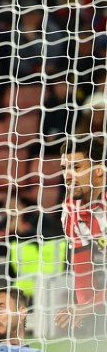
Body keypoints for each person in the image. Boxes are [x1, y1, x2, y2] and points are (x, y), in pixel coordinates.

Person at [56, 135, 107, 332]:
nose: (68, 176)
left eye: (76, 168)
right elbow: (82, 267)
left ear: (99, 171)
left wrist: (91, 306)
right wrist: (84, 308)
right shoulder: (71, 211)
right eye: (64, 169)